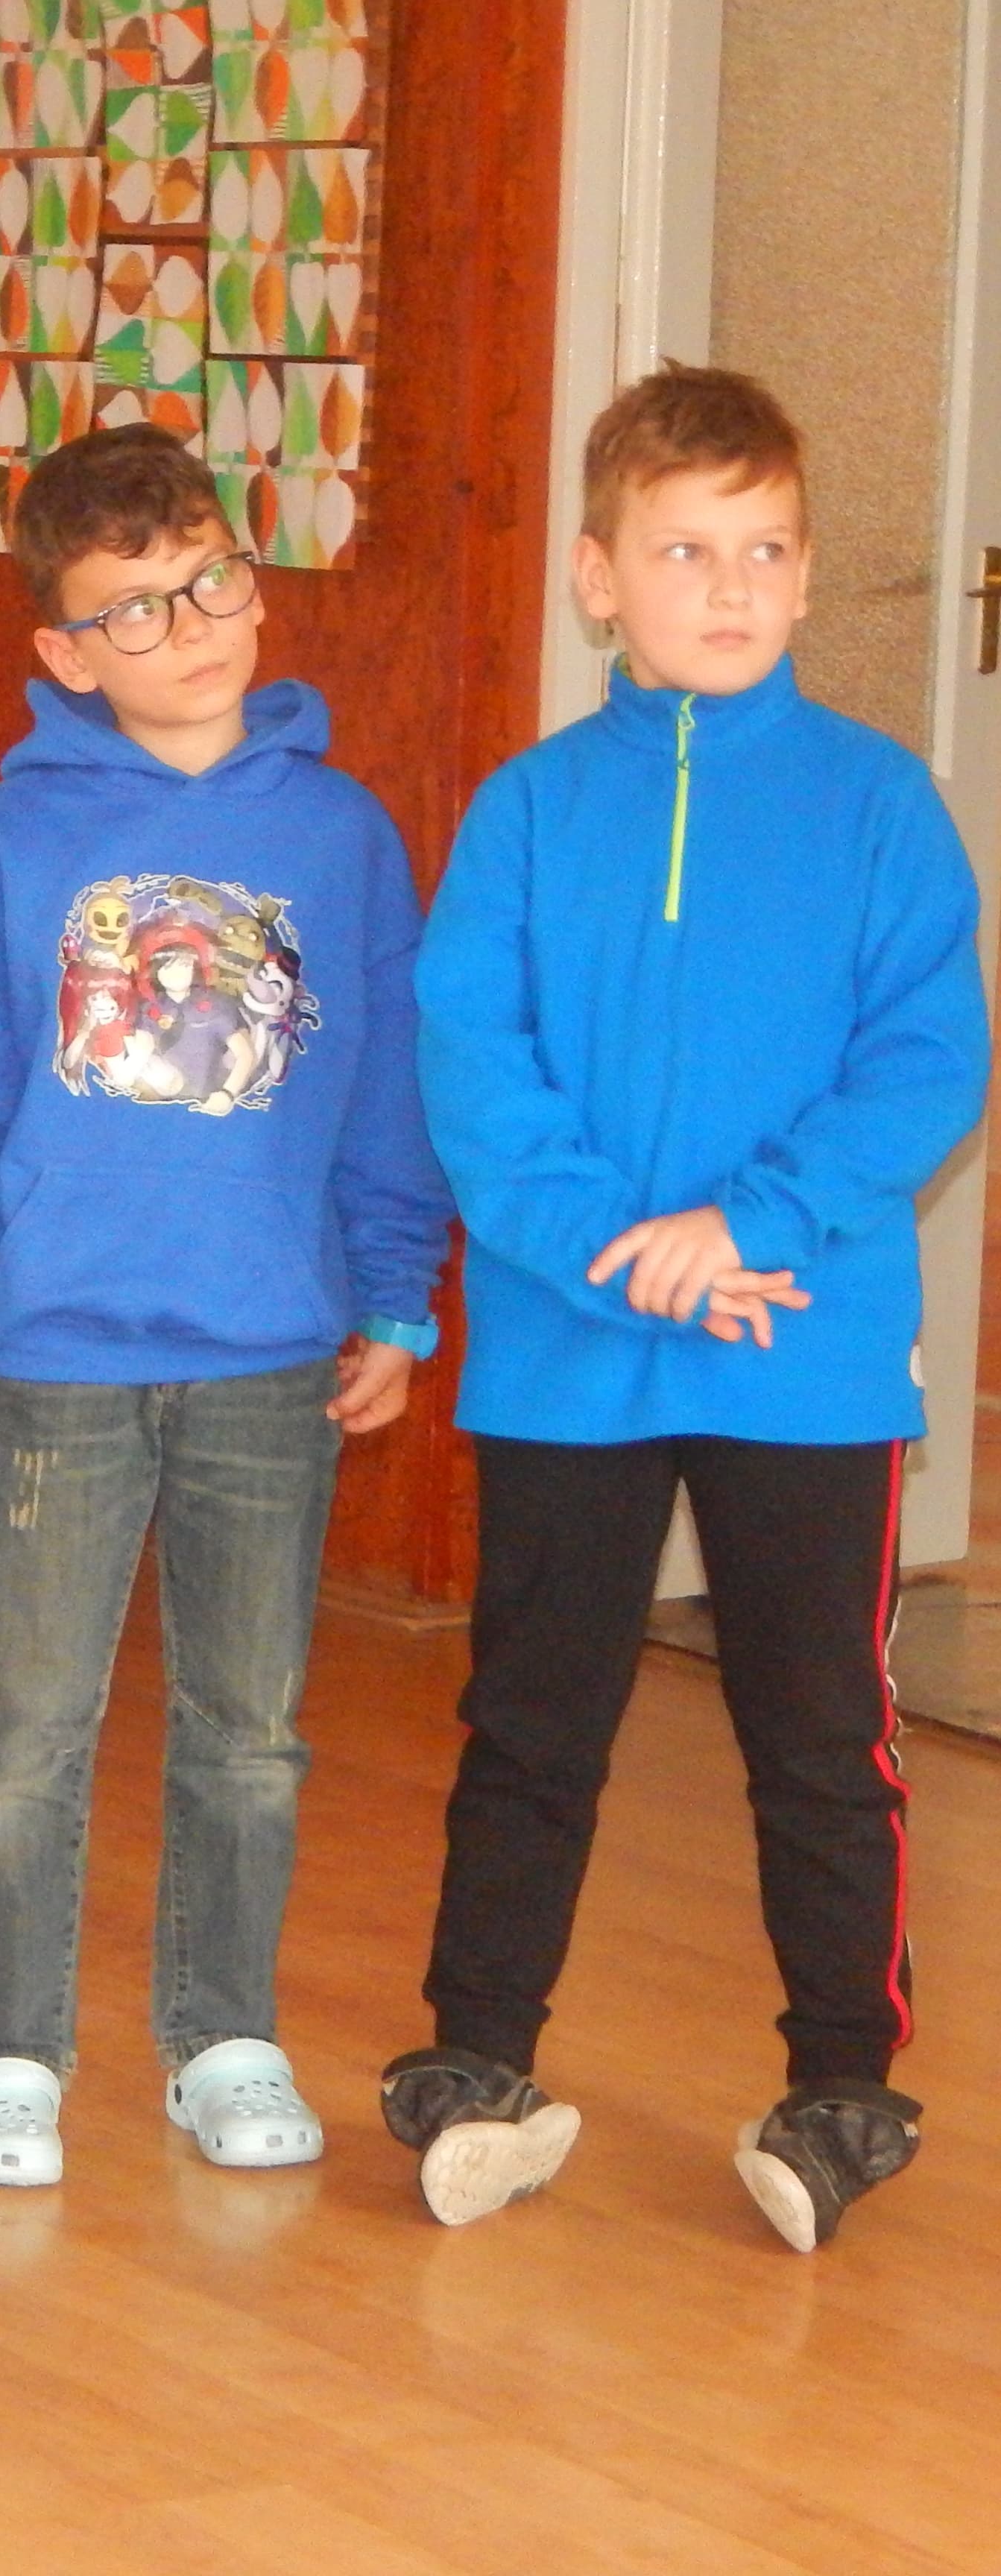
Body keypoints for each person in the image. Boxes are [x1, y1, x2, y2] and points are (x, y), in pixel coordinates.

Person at [388, 364, 989, 2250]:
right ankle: (477, 2058)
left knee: (820, 1734)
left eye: (765, 551)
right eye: (683, 551)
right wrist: (616, 1248)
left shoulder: (881, 805)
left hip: (803, 1349)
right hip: (572, 1351)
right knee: (533, 1724)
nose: (729, 588)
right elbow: (475, 1069)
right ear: (598, 577)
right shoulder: (526, 812)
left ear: (804, 573)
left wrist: (739, 1226)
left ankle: (843, 2084)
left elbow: (926, 1063)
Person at [0, 422, 450, 2190]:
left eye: (210, 582)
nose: (188, 626)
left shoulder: (341, 836)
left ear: (251, 583)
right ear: (65, 651)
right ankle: (5, 2055)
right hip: (52, 1354)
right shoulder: (15, 839)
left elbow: (387, 1089)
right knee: (24, 1739)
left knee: (249, 1734)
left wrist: (397, 1296)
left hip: (271, 1355)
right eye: (135, 608)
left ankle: (223, 2038)